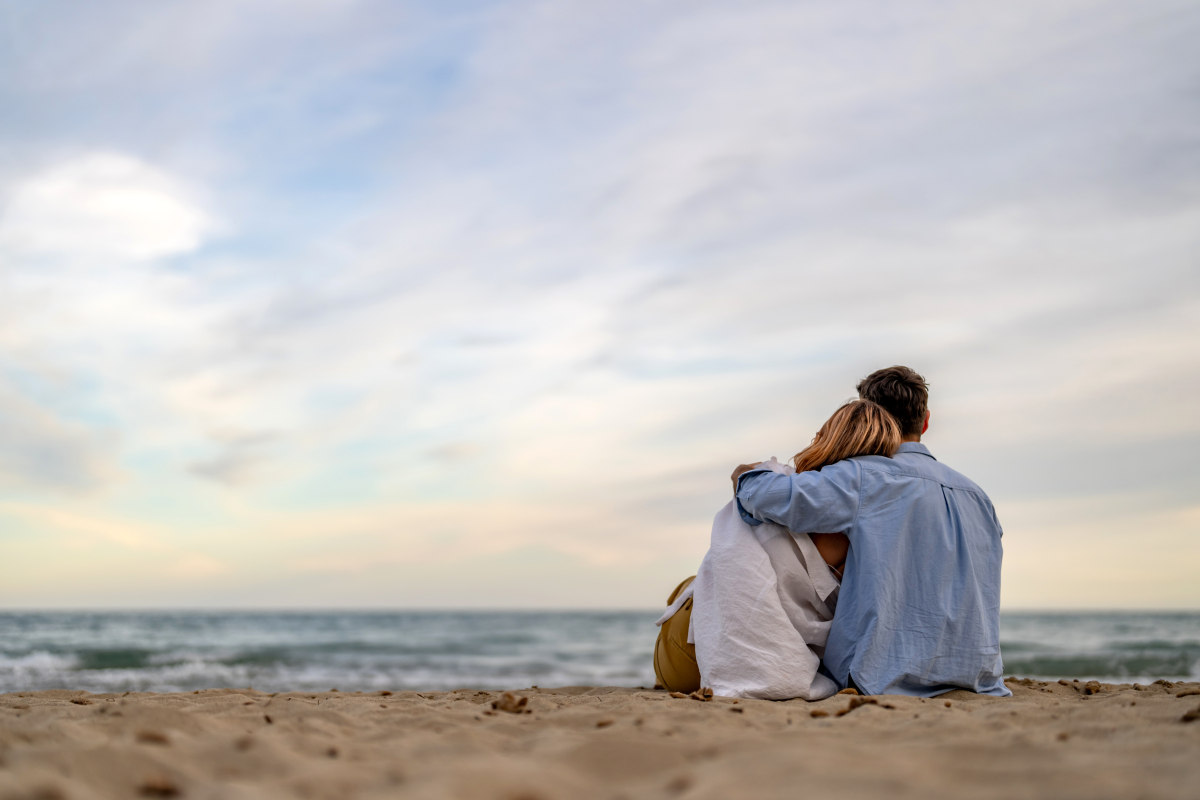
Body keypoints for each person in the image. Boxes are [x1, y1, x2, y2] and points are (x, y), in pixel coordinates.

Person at [732, 366, 1009, 697]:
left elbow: (768, 497)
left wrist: (745, 475)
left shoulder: (862, 478)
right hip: (978, 680)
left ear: (872, 417)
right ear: (925, 421)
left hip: (882, 678)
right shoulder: (978, 497)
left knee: (747, 520)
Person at [653, 399, 902, 698]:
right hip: (787, 653)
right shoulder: (883, 523)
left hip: (694, 652)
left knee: (691, 587)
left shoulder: (786, 488)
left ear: (831, 439)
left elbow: (742, 476)